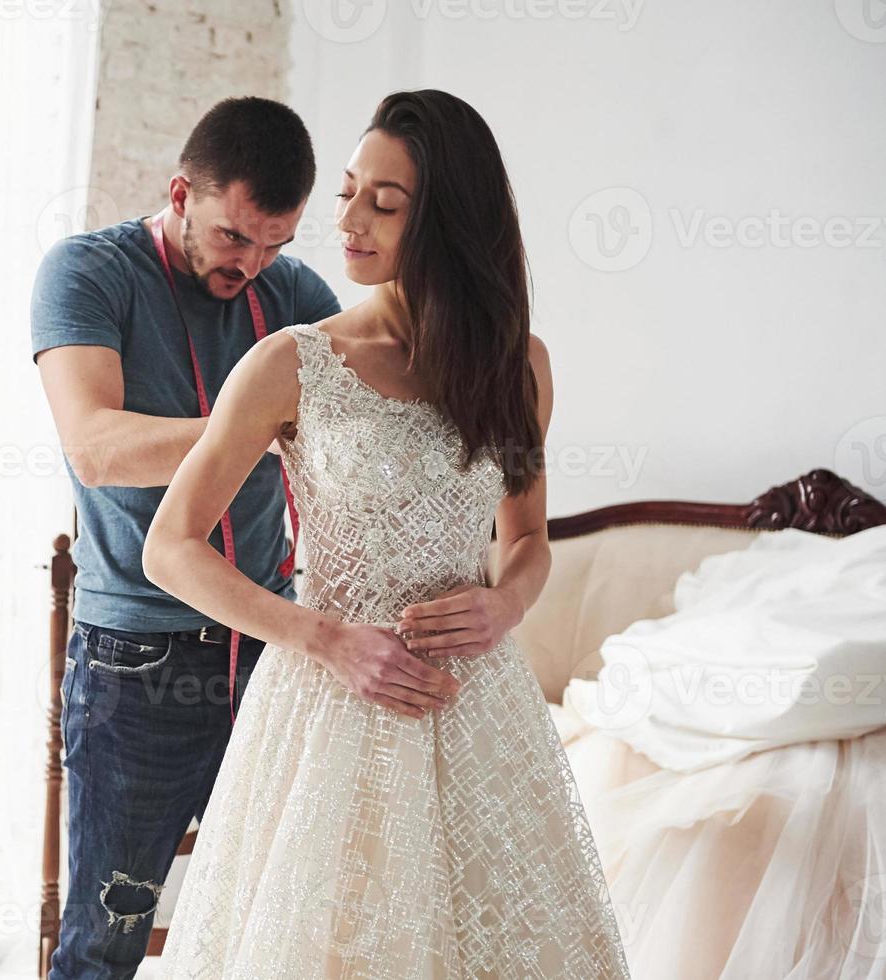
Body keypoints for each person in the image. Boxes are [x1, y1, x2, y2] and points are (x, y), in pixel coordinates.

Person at [143, 89, 632, 978]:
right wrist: (323, 637)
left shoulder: (517, 366)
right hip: (331, 705)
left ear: (445, 220)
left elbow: (525, 538)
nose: (351, 220)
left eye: (385, 202)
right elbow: (168, 545)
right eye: (348, 191)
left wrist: (505, 604)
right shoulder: (294, 363)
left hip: (473, 709)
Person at [30, 96, 345, 978]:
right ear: (180, 193)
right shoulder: (88, 272)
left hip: (270, 651)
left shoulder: (293, 296)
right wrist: (256, 425)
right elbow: (95, 449)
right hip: (137, 664)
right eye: (234, 237)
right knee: (105, 943)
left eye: (275, 242)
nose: (252, 264)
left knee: (271, 923)